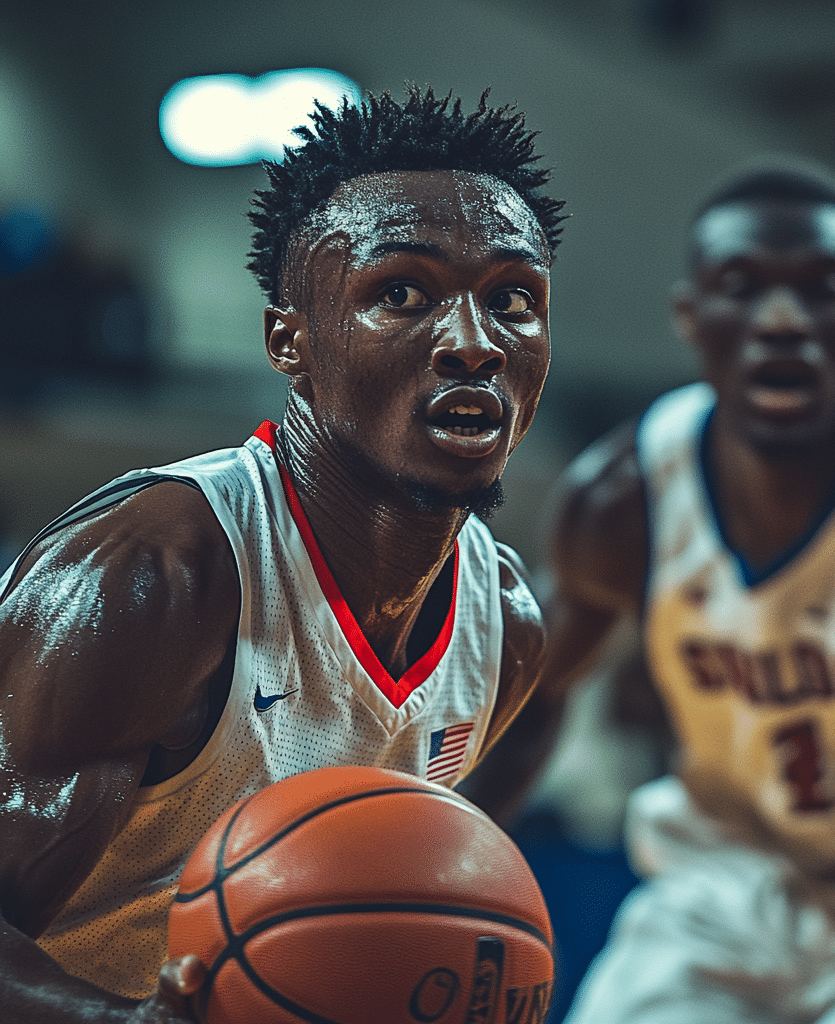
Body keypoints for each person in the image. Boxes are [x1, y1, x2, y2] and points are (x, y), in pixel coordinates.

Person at [0, 85, 565, 1023]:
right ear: (287, 340)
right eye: (402, 293)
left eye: (514, 299)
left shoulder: (504, 626)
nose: (475, 342)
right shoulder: (151, 580)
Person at [465, 159, 835, 1023]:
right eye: (742, 287)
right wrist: (436, 852)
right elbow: (535, 699)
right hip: (726, 885)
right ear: (691, 317)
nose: (783, 321)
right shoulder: (624, 498)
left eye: (823, 289)